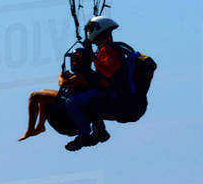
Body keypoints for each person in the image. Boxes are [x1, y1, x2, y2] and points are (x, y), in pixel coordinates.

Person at [63, 15, 155, 151]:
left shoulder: (106, 51)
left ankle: (84, 135)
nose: (89, 34)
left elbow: (106, 77)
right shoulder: (121, 47)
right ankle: (100, 131)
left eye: (90, 31)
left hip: (122, 103)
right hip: (137, 105)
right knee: (91, 98)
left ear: (96, 30)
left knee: (73, 101)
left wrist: (87, 65)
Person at [19, 44, 96, 141]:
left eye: (76, 59)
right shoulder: (81, 75)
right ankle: (40, 127)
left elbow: (63, 83)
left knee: (34, 96)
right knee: (43, 92)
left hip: (71, 121)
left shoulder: (84, 75)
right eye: (73, 59)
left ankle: (30, 130)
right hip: (69, 112)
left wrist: (61, 76)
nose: (73, 62)